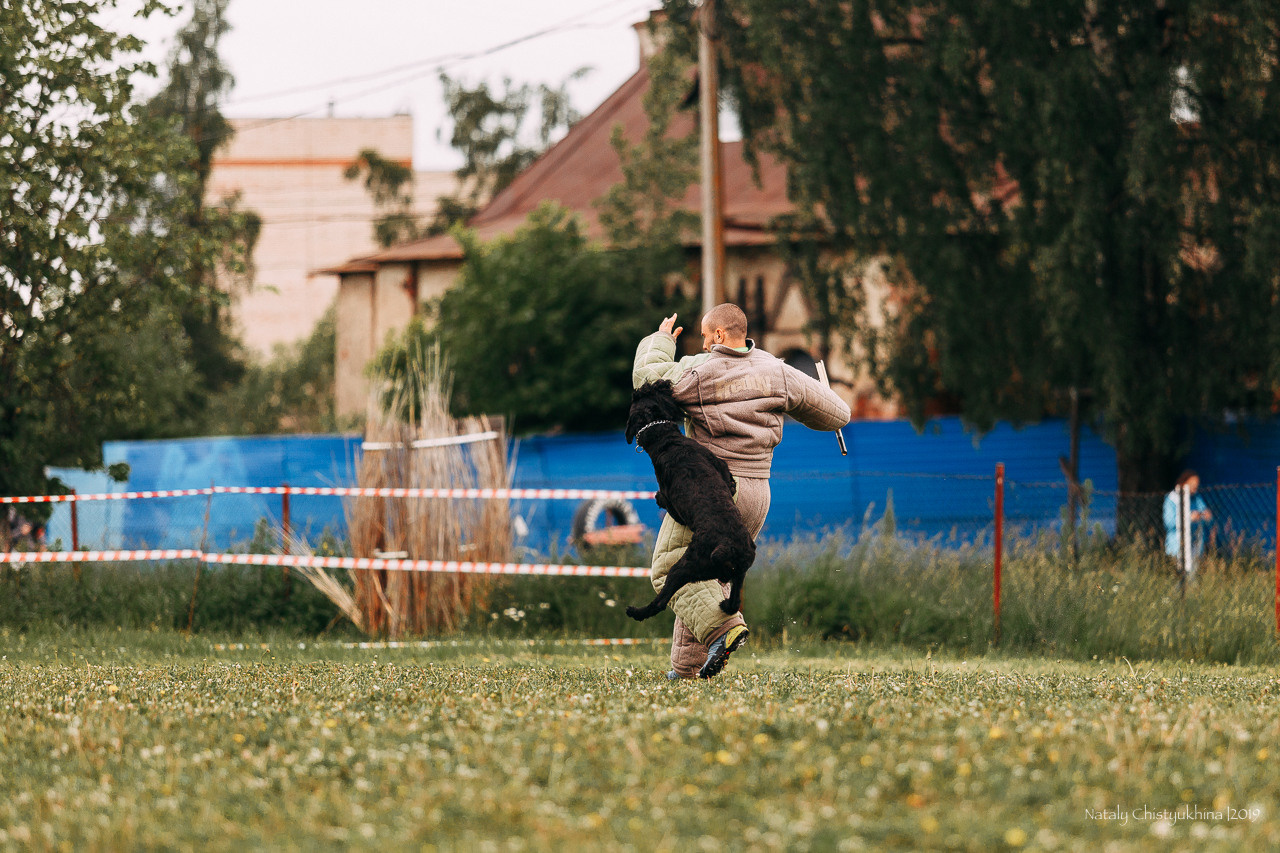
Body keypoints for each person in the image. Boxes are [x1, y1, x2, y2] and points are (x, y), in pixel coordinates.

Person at [632, 303, 851, 679]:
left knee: (669, 568)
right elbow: (837, 415)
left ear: (719, 335)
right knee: (705, 576)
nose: (702, 344)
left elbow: (647, 380)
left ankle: (726, 628)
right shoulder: (776, 371)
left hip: (711, 490)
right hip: (758, 494)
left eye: (704, 336)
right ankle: (685, 671)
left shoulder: (699, 372)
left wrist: (661, 341)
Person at [1163, 469, 1212, 578]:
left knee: (1192, 577)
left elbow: (1204, 513)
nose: (1195, 486)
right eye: (1192, 484)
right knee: (1177, 577)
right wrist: (1189, 518)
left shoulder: (1196, 498)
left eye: (1197, 484)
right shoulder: (1171, 499)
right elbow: (1168, 523)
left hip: (1195, 545)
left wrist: (1205, 515)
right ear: (1184, 483)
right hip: (1176, 546)